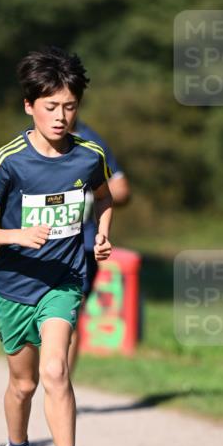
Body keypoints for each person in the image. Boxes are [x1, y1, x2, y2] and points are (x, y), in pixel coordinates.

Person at [0, 47, 113, 446]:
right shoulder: (10, 160)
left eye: (69, 106)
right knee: (23, 384)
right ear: (30, 105)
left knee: (55, 372)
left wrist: (103, 234)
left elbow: (105, 196)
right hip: (14, 287)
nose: (61, 116)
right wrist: (16, 235)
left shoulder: (89, 156)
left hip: (64, 282)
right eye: (51, 107)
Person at [69, 120, 130, 371]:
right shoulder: (26, 143)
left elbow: (121, 190)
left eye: (69, 104)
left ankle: (61, 386)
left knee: (71, 313)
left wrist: (86, 189)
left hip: (81, 246)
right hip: (35, 246)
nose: (61, 113)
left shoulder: (91, 142)